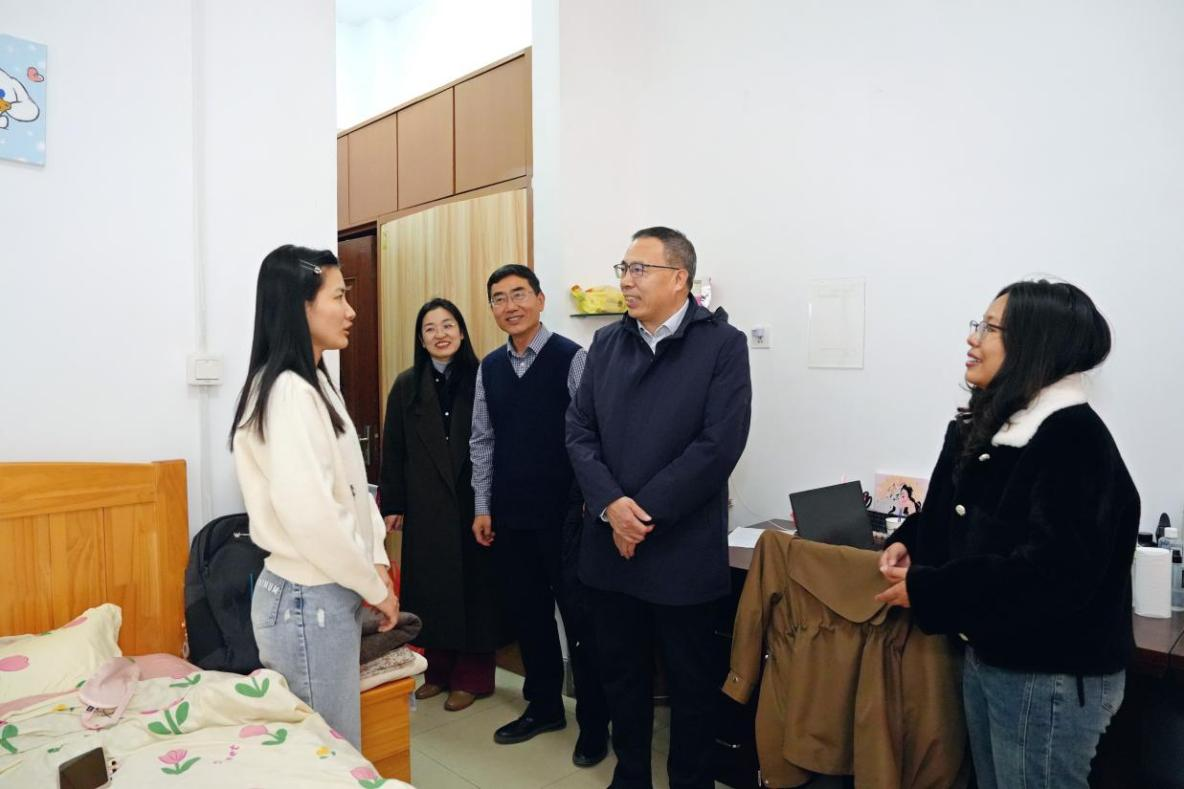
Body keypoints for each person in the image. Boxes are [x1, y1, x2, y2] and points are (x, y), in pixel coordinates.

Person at [876, 280, 1140, 789]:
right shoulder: (989, 423)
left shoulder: (1073, 438)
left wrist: (930, 589)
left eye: (991, 328)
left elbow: (1052, 575)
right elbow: (954, 514)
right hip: (992, 654)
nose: (973, 338)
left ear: (1034, 343)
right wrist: (909, 538)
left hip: (1049, 672)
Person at [567, 227, 752, 789]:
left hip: (681, 550)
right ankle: (630, 776)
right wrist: (611, 506)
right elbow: (579, 432)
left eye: (639, 269)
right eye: (623, 268)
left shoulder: (722, 345)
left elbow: (719, 444)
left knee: (692, 685)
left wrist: (639, 513)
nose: (626, 280)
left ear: (679, 278)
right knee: (622, 678)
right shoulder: (605, 344)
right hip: (610, 549)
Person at [230, 244, 398, 749]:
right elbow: (313, 516)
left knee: (334, 751)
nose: (350, 311)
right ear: (300, 305)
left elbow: (352, 487)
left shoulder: (316, 384)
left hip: (324, 591)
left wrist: (375, 560)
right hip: (306, 598)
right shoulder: (287, 393)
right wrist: (372, 586)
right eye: (338, 297)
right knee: (329, 755)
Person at [470, 264, 610, 766]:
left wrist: (595, 501)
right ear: (492, 308)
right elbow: (482, 439)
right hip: (510, 516)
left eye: (519, 295)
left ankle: (595, 723)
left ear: (540, 299)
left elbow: (595, 434)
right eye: (499, 298)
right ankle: (545, 706)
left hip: (567, 516)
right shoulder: (489, 367)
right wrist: (482, 505)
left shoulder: (572, 358)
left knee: (580, 621)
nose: (510, 306)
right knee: (529, 617)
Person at [378, 298, 503, 712]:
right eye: (430, 328)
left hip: (474, 504)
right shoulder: (406, 385)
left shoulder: (484, 377)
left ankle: (472, 677)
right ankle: (437, 672)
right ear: (421, 339)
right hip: (426, 504)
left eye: (448, 325)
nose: (440, 334)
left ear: (462, 332)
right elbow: (394, 448)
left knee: (476, 590)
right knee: (431, 589)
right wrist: (393, 503)